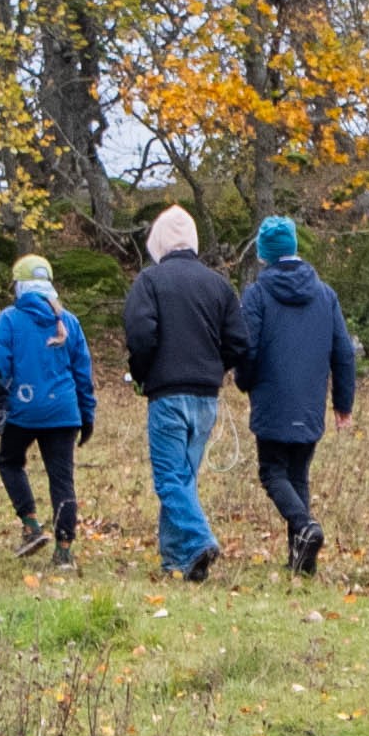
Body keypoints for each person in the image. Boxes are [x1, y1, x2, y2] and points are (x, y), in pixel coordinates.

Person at [117, 205, 245, 582]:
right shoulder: (219, 284)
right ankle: (179, 561)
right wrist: (214, 368)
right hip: (206, 397)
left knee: (170, 480)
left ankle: (200, 539)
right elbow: (239, 342)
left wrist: (142, 373)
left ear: (158, 242)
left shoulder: (150, 281)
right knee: (184, 479)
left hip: (167, 395)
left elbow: (140, 335)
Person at [229, 218, 361, 574]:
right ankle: (301, 563)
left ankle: (305, 528)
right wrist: (343, 403)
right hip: (310, 402)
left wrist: (244, 381)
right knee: (298, 475)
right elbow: (343, 353)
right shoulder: (325, 294)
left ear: (264, 255)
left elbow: (248, 349)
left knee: (272, 473)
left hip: (272, 400)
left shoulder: (257, 294)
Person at [0, 255, 97, 558]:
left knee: (9, 462)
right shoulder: (69, 321)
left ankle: (31, 524)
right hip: (64, 411)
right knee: (62, 479)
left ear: (19, 286)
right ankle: (64, 550)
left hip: (23, 409)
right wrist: (87, 416)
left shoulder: (8, 319)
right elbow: (83, 375)